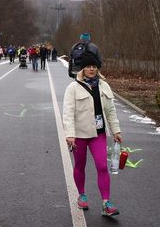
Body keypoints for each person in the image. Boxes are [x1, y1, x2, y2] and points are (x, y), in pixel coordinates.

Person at [62, 52, 122, 217]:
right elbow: (68, 113)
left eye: (94, 66)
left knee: (102, 167)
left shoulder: (104, 86)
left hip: (99, 133)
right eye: (88, 66)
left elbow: (110, 111)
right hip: (79, 135)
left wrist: (116, 130)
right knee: (80, 165)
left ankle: (106, 203)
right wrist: (70, 135)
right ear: (83, 69)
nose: (91, 69)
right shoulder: (73, 88)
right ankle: (81, 195)